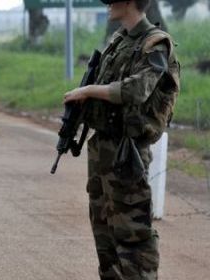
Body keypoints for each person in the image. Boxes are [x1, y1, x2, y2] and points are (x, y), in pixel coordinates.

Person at [64, 0, 180, 279]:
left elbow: (137, 90)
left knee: (132, 232)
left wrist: (90, 91)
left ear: (130, 2)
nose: (108, 6)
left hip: (127, 150)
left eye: (113, 1)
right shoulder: (119, 41)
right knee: (103, 230)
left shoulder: (155, 43)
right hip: (102, 147)